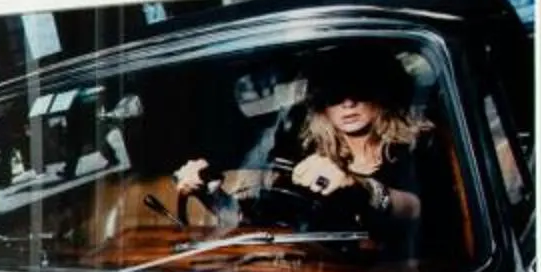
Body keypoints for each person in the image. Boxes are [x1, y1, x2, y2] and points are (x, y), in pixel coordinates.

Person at [172, 52, 432, 248]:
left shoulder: (418, 145)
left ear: (380, 93)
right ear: (321, 104)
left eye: (359, 91)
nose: (348, 103)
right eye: (335, 94)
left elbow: (422, 210)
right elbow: (267, 222)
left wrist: (360, 187)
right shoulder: (305, 152)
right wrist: (212, 194)